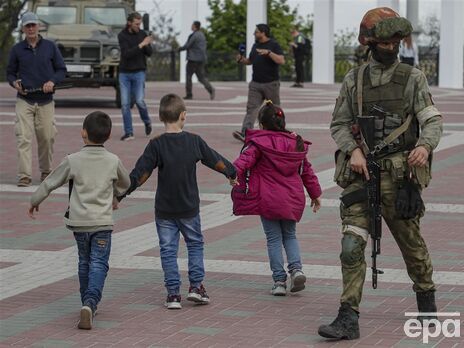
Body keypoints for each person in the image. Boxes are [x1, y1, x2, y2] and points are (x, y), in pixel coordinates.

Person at [317, 7, 443, 341]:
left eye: (396, 42)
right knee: (350, 247)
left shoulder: (412, 77)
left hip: (400, 179)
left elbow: (431, 118)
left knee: (412, 246)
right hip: (362, 177)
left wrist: (425, 146)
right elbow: (339, 123)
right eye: (386, 42)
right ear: (371, 42)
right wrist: (354, 150)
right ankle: (348, 317)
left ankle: (426, 300)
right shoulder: (354, 79)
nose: (392, 47)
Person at [119, 94, 236, 309]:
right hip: (189, 207)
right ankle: (196, 287)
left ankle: (173, 294)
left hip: (164, 209)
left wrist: (120, 194)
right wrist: (231, 172)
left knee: (168, 250)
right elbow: (214, 159)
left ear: (162, 117)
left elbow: (140, 174)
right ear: (183, 116)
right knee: (195, 244)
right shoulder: (194, 141)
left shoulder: (156, 144)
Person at [28, 111, 131, 330]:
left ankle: (86, 303)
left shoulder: (72, 160)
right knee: (99, 263)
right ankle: (90, 302)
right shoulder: (113, 160)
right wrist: (114, 196)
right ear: (109, 135)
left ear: (83, 133)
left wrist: (35, 200)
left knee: (84, 262)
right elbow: (125, 183)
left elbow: (50, 182)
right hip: (102, 223)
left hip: (79, 224)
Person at [232, 101, 322, 296]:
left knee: (273, 239)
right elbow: (307, 171)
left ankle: (279, 281)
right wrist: (315, 194)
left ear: (262, 125)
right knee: (290, 235)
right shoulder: (295, 142)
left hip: (268, 199)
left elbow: (244, 161)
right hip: (292, 199)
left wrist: (231, 173)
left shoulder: (258, 143)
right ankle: (296, 270)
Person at [6, 12, 67, 187]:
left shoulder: (50, 47)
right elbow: (10, 72)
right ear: (23, 28)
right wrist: (14, 82)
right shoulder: (17, 49)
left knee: (47, 138)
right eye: (28, 25)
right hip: (24, 100)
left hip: (46, 100)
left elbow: (61, 69)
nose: (31, 28)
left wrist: (52, 81)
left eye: (33, 25)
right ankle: (24, 176)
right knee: (23, 138)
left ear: (38, 26)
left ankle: (46, 171)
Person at [233, 24, 285, 143]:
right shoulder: (255, 45)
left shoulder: (274, 45)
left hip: (271, 83)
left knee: (275, 109)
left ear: (263, 32)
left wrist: (269, 53)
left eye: (256, 32)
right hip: (255, 83)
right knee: (251, 109)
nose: (254, 34)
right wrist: (242, 60)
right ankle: (245, 133)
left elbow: (281, 60)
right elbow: (250, 61)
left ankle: (280, 133)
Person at [118, 11, 153, 141]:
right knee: (125, 104)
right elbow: (127, 54)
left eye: (140, 24)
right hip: (124, 73)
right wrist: (141, 44)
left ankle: (147, 121)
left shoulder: (142, 34)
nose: (139, 26)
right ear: (129, 23)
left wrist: (148, 43)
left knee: (139, 101)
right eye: (137, 24)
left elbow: (149, 53)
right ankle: (129, 132)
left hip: (139, 72)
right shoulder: (122, 36)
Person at [179, 21, 215, 100]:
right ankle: (211, 89)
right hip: (201, 59)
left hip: (193, 59)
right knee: (201, 77)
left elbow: (188, 45)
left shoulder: (194, 35)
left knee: (188, 77)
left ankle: (189, 94)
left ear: (195, 26)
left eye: (192, 25)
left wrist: (180, 49)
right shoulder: (202, 35)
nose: (191, 26)